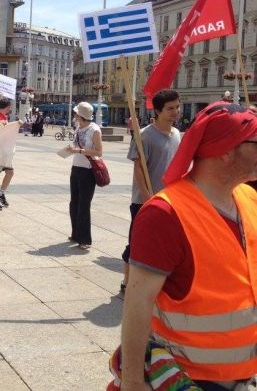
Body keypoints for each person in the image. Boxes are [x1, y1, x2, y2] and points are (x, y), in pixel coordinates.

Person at [120, 102, 257, 391]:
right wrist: (132, 381)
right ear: (226, 150)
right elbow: (137, 302)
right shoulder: (164, 214)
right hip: (191, 379)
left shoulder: (248, 197)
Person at [120, 89, 181, 292]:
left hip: (169, 199)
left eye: (177, 107)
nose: (175, 111)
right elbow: (138, 166)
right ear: (157, 110)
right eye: (170, 108)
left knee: (164, 243)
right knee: (136, 241)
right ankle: (127, 282)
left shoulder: (176, 134)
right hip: (144, 200)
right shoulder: (144, 135)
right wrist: (147, 196)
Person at [67, 101, 102, 250]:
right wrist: (70, 149)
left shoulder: (94, 130)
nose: (74, 116)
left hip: (88, 171)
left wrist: (79, 151)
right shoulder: (78, 128)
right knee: (74, 203)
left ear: (81, 115)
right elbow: (76, 146)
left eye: (76, 113)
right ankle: (76, 233)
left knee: (83, 205)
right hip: (76, 168)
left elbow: (99, 152)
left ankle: (85, 239)